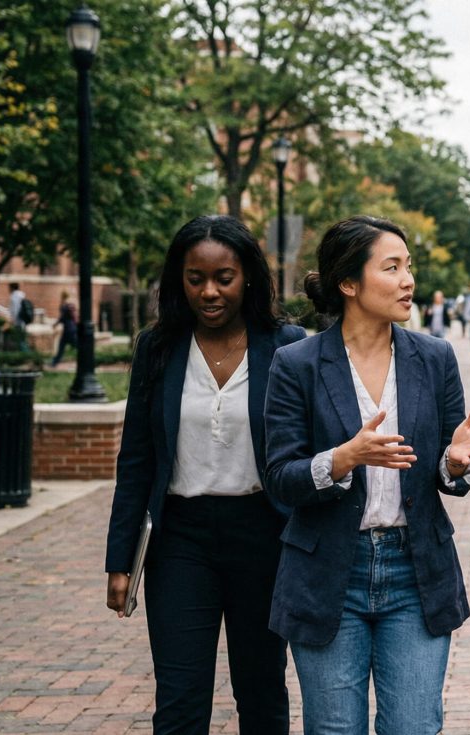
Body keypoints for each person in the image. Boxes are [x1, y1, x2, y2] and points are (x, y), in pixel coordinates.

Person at [263, 215, 470, 733]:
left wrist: (456, 463)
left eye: (408, 266)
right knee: (333, 729)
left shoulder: (434, 359)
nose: (408, 279)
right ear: (349, 283)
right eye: (391, 268)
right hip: (327, 575)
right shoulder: (296, 364)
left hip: (415, 572)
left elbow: (445, 472)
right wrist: (343, 458)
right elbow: (280, 476)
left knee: (413, 726)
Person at [104, 214, 304, 734]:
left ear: (249, 279)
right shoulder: (158, 347)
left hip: (263, 536)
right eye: (195, 279)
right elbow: (136, 460)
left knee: (261, 694)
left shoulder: (286, 345)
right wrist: (120, 561)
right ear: (179, 281)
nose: (209, 292)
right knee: (179, 700)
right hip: (180, 541)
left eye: (224, 278)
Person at [50, 293, 78, 368]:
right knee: (65, 346)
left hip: (68, 330)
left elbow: (62, 318)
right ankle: (54, 362)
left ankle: (54, 363)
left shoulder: (65, 306)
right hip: (71, 329)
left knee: (62, 347)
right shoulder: (70, 305)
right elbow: (74, 317)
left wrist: (55, 324)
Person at [6, 281, 29, 351]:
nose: (8, 290)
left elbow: (16, 309)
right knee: (23, 339)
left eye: (9, 288)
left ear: (12, 288)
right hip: (24, 320)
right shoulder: (22, 295)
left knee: (20, 340)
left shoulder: (14, 297)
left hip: (18, 321)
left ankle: (25, 354)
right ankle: (25, 353)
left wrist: (13, 320)